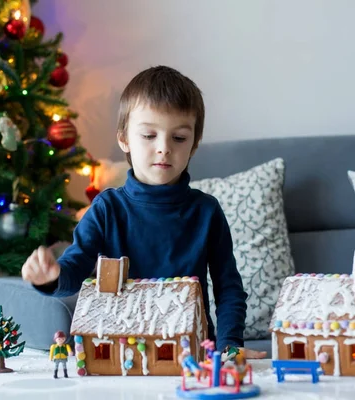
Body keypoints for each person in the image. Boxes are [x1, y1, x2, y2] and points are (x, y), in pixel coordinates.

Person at [22, 65, 267, 359]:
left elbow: (228, 289)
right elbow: (75, 269)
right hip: (119, 350)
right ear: (124, 139)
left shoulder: (206, 211)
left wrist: (230, 345)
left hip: (191, 351)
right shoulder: (106, 209)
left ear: (194, 144)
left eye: (178, 138)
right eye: (149, 135)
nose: (163, 148)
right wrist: (51, 277)